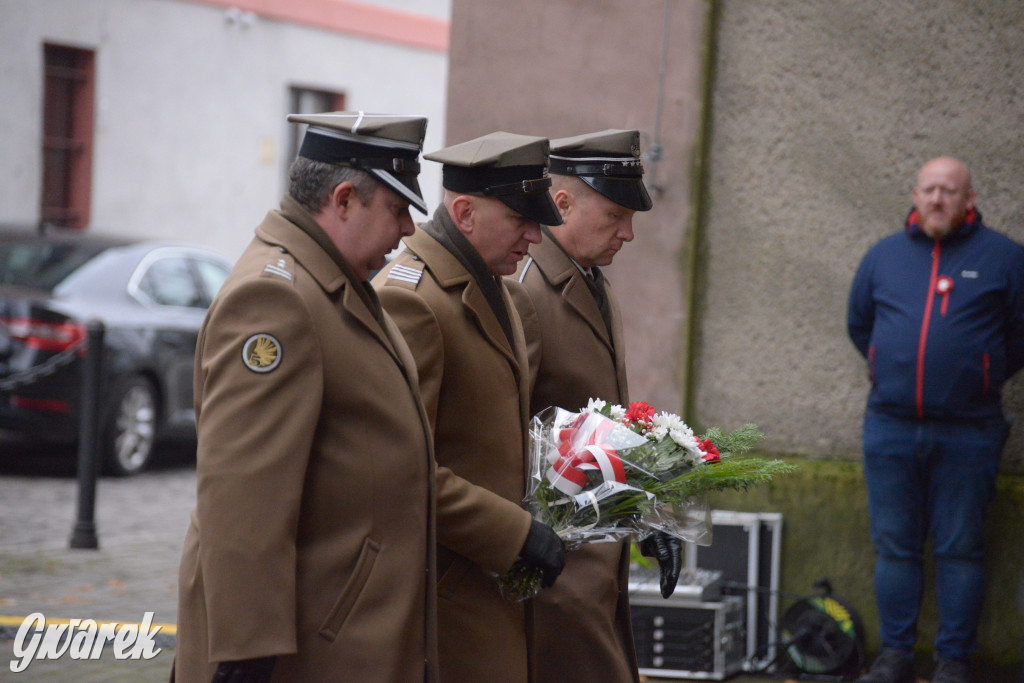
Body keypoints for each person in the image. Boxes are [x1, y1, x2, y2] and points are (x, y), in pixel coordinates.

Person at [173, 112, 442, 682]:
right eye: (398, 210)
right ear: (344, 200)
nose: (408, 232)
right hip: (308, 651)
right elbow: (245, 494)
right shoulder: (277, 298)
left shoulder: (333, 281)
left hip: (348, 636)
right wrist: (245, 653)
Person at [373, 131, 568, 683]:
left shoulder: (498, 286)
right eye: (520, 219)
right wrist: (512, 534)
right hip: (448, 591)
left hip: (492, 582)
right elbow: (402, 470)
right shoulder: (412, 299)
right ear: (464, 212)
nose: (535, 234)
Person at [506, 129, 681, 682]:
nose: (628, 233)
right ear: (562, 204)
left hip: (594, 557)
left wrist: (646, 513)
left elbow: (598, 427)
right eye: (614, 215)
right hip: (555, 567)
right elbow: (512, 435)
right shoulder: (528, 291)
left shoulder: (591, 282)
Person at [847, 157, 1024, 683]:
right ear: (915, 195)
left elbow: (1019, 334)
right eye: (929, 190)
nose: (938, 199)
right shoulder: (884, 256)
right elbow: (860, 324)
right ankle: (896, 656)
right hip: (891, 424)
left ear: (970, 199)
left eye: (950, 191)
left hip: (970, 429)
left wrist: (982, 372)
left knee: (960, 548)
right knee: (896, 546)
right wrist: (889, 366)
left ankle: (953, 661)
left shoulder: (1004, 258)